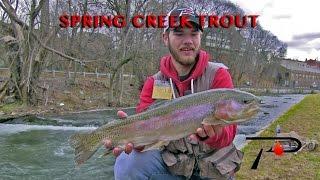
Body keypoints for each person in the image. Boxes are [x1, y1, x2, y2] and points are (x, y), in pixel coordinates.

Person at [104, 7, 243, 180]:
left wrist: (215, 134)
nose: (188, 41)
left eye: (194, 34)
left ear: (200, 37)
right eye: (179, 34)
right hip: (172, 169)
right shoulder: (153, 83)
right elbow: (147, 139)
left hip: (214, 171)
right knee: (126, 161)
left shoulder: (219, 75)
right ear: (165, 37)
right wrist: (133, 138)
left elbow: (229, 134)